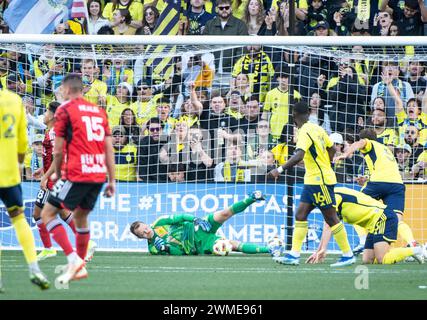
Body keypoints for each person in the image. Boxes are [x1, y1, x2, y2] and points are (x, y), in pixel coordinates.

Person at [41, 74, 116, 285]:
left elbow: (58, 150)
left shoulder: (65, 110)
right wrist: (112, 180)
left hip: (76, 173)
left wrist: (56, 172)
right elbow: (108, 148)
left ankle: (74, 260)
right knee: (81, 217)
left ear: (66, 89)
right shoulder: (100, 112)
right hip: (98, 174)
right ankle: (80, 265)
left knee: (47, 214)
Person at [268, 102, 355, 267]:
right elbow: (331, 148)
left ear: (294, 116)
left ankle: (348, 254)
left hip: (319, 181)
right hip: (312, 180)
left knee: (331, 217)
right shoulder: (317, 128)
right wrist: (326, 162)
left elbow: (299, 155)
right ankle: (294, 254)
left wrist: (278, 170)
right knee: (300, 214)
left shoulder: (305, 131)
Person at [0, 85, 50, 290]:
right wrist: (18, 168)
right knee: (19, 218)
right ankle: (34, 267)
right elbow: (22, 143)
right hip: (10, 173)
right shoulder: (14, 100)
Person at [335, 128, 419, 249]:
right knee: (397, 220)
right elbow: (384, 169)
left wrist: (345, 154)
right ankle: (413, 243)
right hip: (397, 185)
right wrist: (367, 179)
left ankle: (363, 240)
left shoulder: (369, 144)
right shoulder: (385, 150)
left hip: (379, 183)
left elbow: (361, 143)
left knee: (353, 206)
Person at [129, 191, 274, 256]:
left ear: (147, 224)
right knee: (232, 245)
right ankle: (269, 249)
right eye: (143, 233)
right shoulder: (153, 249)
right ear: (140, 237)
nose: (147, 231)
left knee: (224, 213)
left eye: (145, 227)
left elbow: (179, 217)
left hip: (198, 228)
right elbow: (180, 253)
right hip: (199, 245)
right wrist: (166, 249)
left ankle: (252, 198)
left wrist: (195, 219)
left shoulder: (159, 223)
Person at [306, 187, 425, 265]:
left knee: (381, 259)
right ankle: (410, 252)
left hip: (383, 217)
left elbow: (329, 224)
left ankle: (417, 249)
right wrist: (319, 250)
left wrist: (323, 249)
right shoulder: (330, 195)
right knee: (367, 260)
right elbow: (328, 223)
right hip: (373, 224)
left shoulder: (333, 196)